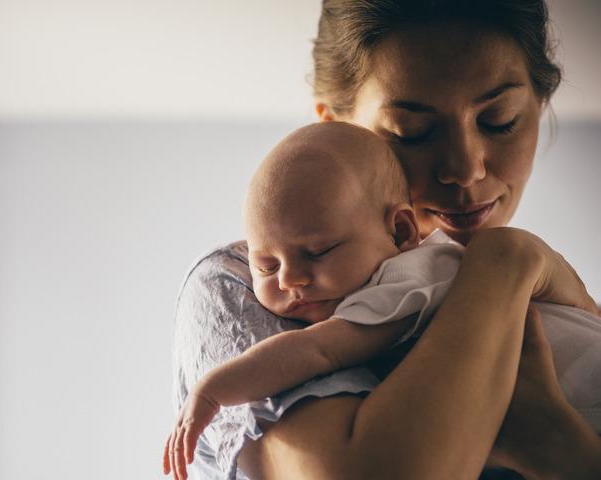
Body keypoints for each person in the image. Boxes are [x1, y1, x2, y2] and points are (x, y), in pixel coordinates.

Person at [169, 1, 601, 479]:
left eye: (499, 119)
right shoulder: (249, 285)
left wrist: (564, 448)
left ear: (538, 106)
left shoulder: (546, 303)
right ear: (333, 130)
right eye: (411, 133)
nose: (465, 169)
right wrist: (505, 261)